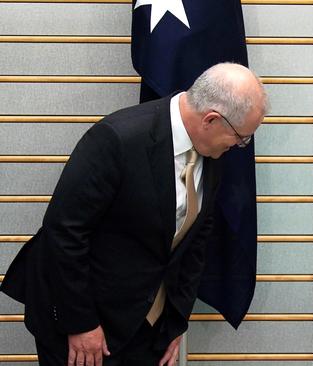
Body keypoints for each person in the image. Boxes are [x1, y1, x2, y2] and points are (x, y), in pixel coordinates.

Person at [0, 62, 268, 366]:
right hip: (84, 324)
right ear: (211, 119)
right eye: (241, 137)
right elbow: (64, 233)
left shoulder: (211, 151)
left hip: (147, 328)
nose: (240, 145)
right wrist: (81, 323)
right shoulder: (117, 139)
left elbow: (195, 240)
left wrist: (175, 320)